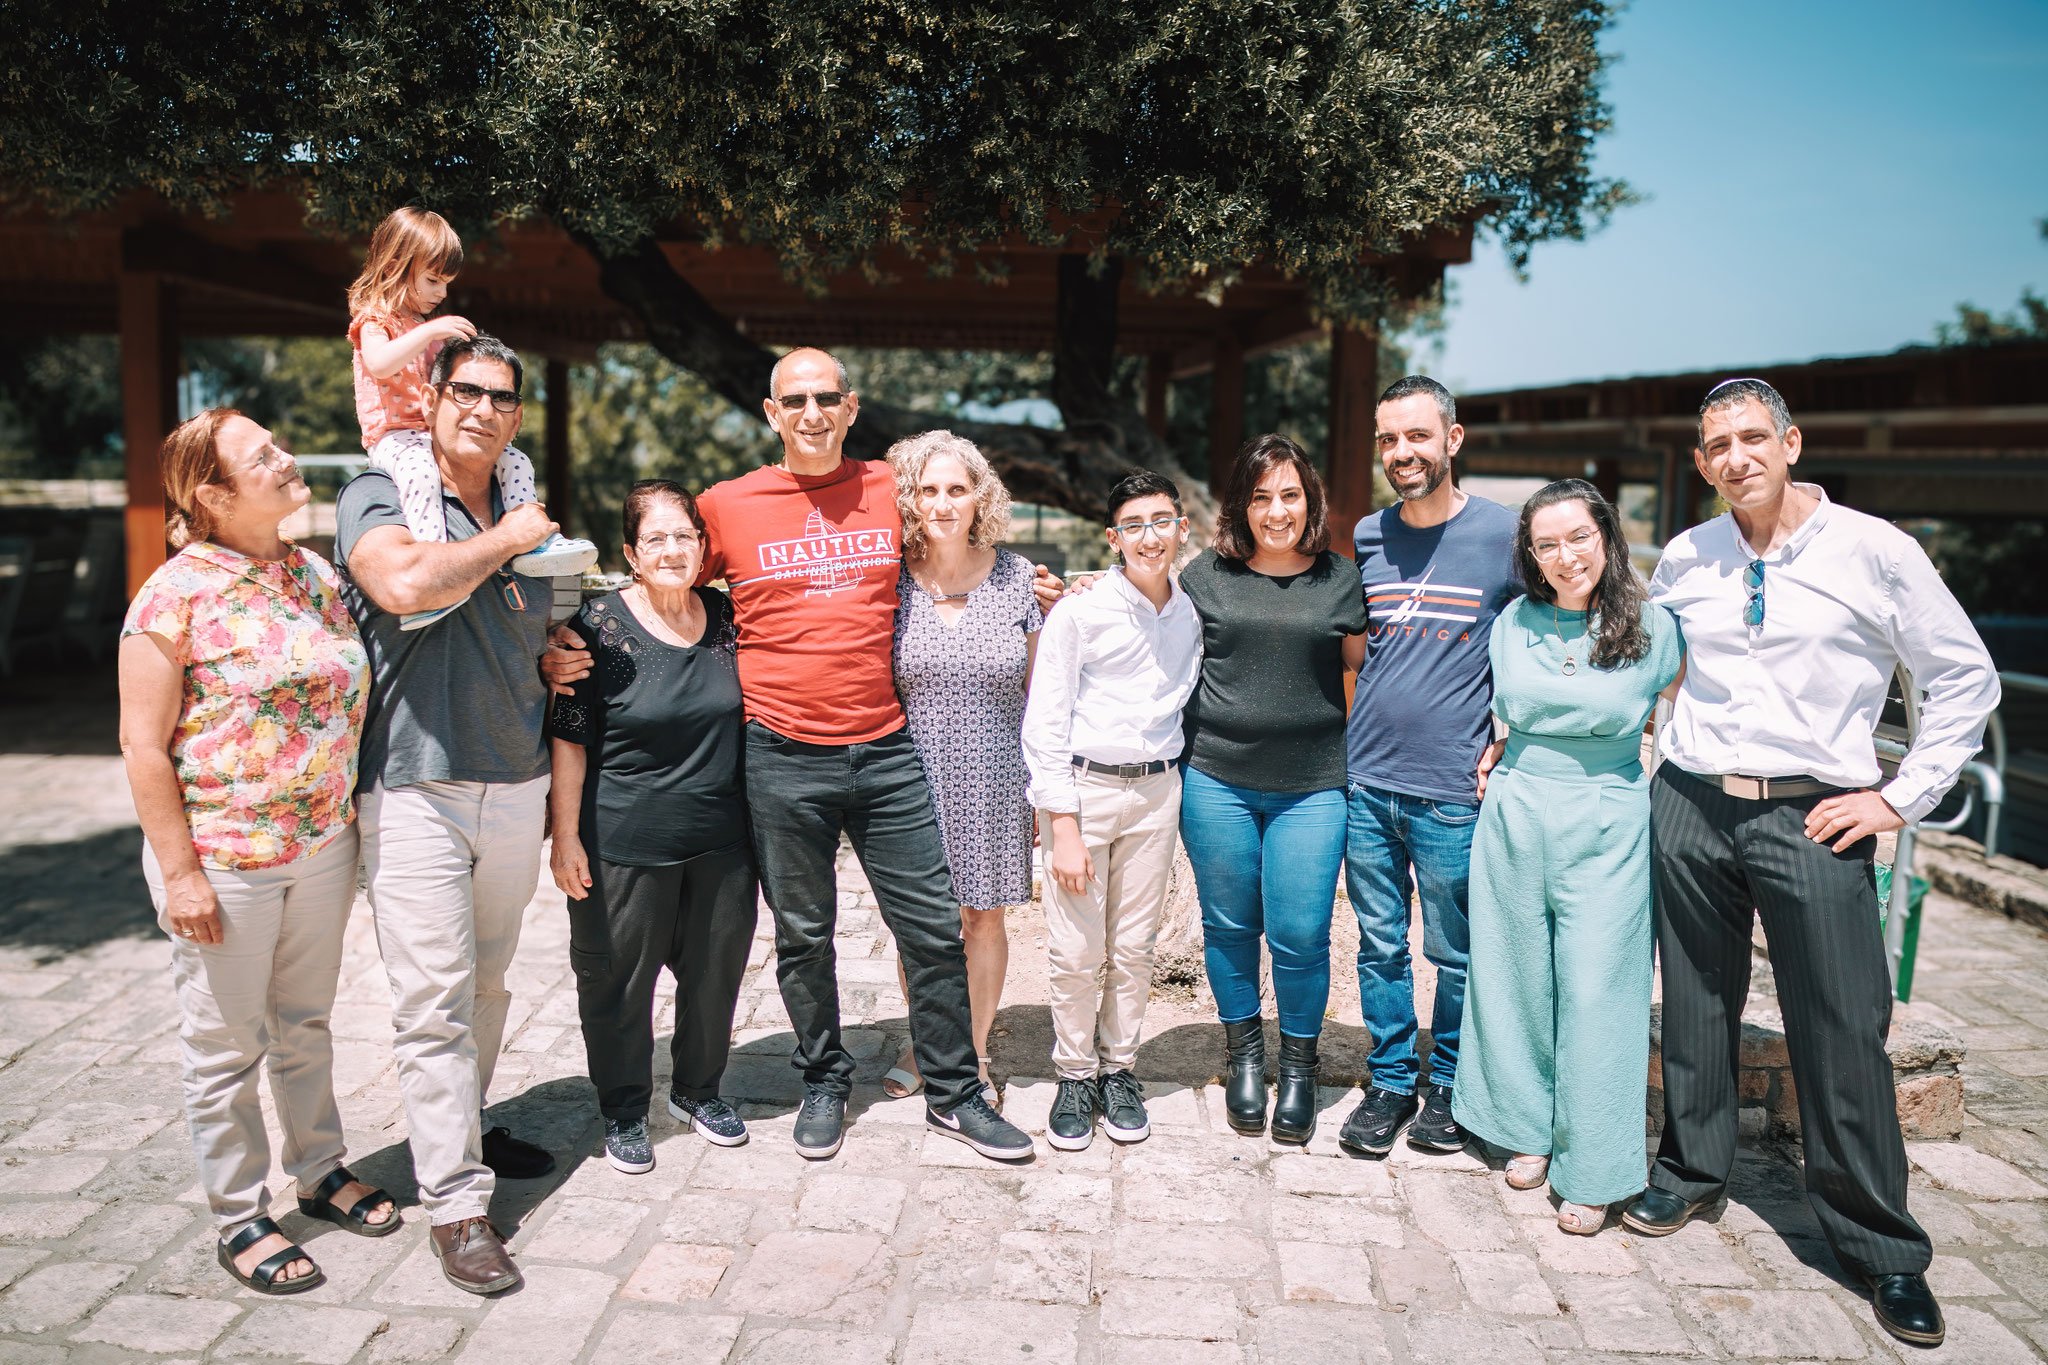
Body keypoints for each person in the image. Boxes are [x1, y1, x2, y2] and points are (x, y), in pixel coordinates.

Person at [547, 348, 1036, 1164]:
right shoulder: (728, 504)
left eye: (827, 398)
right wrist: (572, 639)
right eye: (795, 400)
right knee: (805, 936)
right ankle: (824, 1081)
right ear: (772, 414)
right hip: (781, 754)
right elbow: (662, 571)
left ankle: (956, 1091)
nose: (813, 413)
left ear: (851, 407)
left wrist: (1035, 586)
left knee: (929, 927)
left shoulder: (887, 488)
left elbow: (959, 546)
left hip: (886, 749)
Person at [1624, 379, 2000, 1348]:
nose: (1736, 457)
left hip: (1815, 813)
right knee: (1694, 1001)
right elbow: (1654, 664)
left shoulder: (1875, 551)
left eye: (1753, 437)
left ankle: (1881, 1247)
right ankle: (1690, 1173)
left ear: (1790, 443)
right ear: (1701, 462)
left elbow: (1963, 676)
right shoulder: (1686, 554)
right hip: (1692, 801)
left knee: (1840, 1023)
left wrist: (1896, 798)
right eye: (1717, 445)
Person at [118, 409, 397, 1296]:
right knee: (225, 1046)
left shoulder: (314, 572)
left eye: (277, 446)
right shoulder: (172, 596)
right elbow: (141, 746)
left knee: (303, 1022)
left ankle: (319, 1170)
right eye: (262, 456)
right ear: (212, 493)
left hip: (321, 844)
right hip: (224, 860)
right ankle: (239, 1212)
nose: (286, 459)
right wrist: (181, 875)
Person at [334, 333, 561, 1295]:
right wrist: (511, 540)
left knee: (489, 982)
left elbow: (538, 617)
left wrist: (559, 652)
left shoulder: (517, 497)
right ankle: (458, 1206)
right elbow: (401, 583)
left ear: (517, 415)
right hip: (414, 780)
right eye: (465, 390)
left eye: (501, 398)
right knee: (432, 1000)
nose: (482, 409)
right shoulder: (378, 490)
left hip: (514, 775)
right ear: (428, 398)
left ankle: (463, 1126)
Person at [1451, 479, 1682, 1235]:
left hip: (1609, 815)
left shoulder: (1655, 626)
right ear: (1530, 554)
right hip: (1516, 807)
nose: (1565, 556)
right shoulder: (1513, 621)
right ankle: (1526, 1127)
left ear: (1607, 536)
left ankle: (1596, 1165)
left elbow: (1702, 711)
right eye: (1546, 544)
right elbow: (1498, 714)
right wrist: (1497, 749)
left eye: (1579, 537)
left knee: (1598, 989)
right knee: (1514, 975)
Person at [547, 480, 757, 1174]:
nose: (672, 550)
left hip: (723, 840)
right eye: (655, 538)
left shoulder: (727, 616)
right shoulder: (594, 630)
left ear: (703, 546)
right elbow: (570, 740)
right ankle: (624, 1108)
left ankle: (698, 1090)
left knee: (715, 974)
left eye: (684, 536)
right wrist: (566, 838)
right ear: (631, 554)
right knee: (617, 984)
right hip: (624, 841)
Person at [1338, 376, 1519, 1158]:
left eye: (1417, 435)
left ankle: (1448, 1084)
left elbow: (1549, 631)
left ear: (1453, 438)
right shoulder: (1369, 535)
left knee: (1457, 953)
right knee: (1379, 944)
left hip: (1454, 790)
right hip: (1367, 783)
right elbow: (1358, 648)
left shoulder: (1505, 535)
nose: (1402, 451)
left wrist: (1516, 734)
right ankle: (1390, 1081)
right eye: (1388, 439)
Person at [1177, 435, 1367, 1144]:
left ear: (1310, 501)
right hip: (1216, 778)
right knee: (1229, 927)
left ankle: (1299, 1070)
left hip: (1313, 786)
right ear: (1242, 505)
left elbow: (1367, 668)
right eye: (1261, 497)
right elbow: (1145, 625)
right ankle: (1246, 1059)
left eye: (1290, 495)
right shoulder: (1205, 575)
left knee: (1300, 932)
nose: (1276, 510)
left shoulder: (1340, 580)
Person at [1023, 471, 1203, 1151]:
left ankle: (1118, 1069)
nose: (1149, 537)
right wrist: (1061, 824)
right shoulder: (1081, 612)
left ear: (1181, 528)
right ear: (1113, 537)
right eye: (1133, 526)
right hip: (1085, 791)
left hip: (1157, 792)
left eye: (1161, 521)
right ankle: (1074, 1073)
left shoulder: (1192, 613)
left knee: (1133, 947)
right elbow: (1045, 721)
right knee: (1076, 949)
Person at [880, 432, 1041, 1107]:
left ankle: (971, 1053)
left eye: (957, 489)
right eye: (929, 490)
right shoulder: (889, 579)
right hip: (907, 779)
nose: (943, 503)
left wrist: (1043, 791)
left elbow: (1039, 693)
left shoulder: (1019, 578)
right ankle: (926, 1043)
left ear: (981, 497)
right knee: (920, 925)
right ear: (911, 500)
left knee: (981, 920)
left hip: (997, 779)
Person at [346, 206, 595, 629]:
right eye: (433, 280)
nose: (441, 292)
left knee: (515, 459)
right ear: (395, 266)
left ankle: (536, 540)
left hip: (425, 433)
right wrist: (429, 332)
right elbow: (381, 363)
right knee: (422, 473)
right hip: (393, 435)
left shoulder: (420, 324)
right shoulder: (376, 320)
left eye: (446, 282)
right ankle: (433, 563)